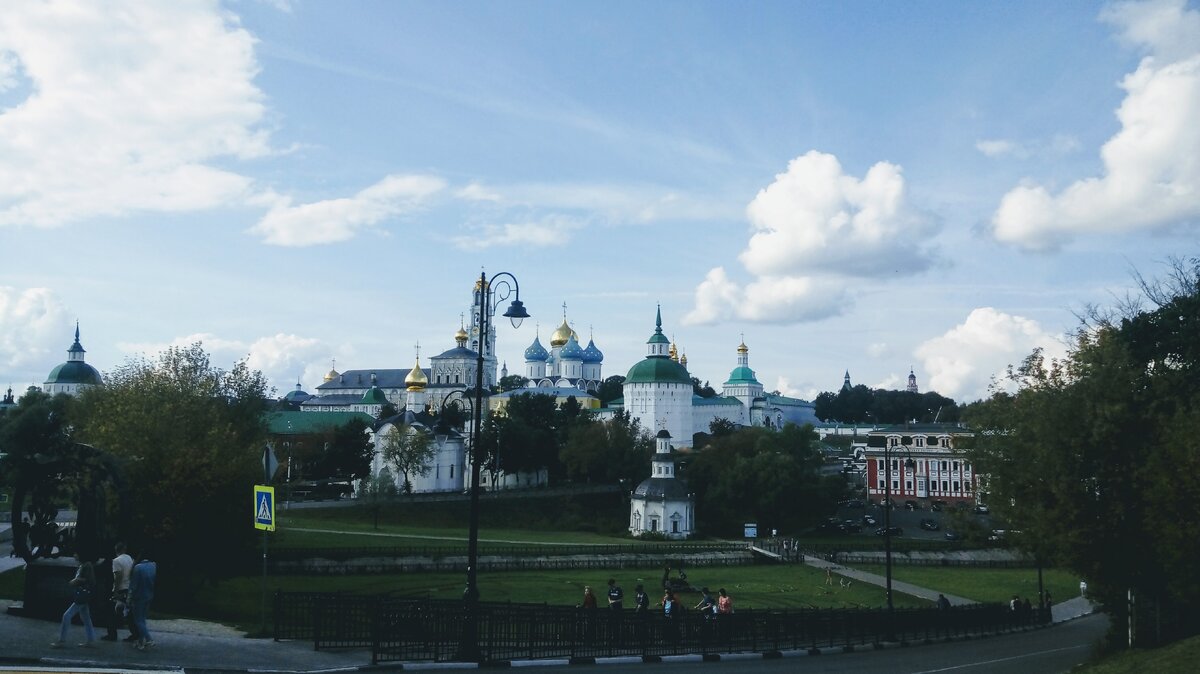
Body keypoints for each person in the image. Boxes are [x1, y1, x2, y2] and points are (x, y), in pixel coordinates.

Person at [52, 555, 97, 648]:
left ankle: (62, 641)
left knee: (66, 616)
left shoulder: (86, 565)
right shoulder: (83, 565)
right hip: (83, 596)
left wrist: (75, 581)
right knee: (86, 618)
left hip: (82, 596)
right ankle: (91, 640)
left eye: (76, 553)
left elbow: (89, 580)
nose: (74, 555)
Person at [104, 542, 136, 642]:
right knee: (130, 612)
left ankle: (112, 634)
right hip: (129, 588)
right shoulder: (130, 559)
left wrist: (115, 592)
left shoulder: (116, 561)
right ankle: (135, 633)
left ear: (116, 550)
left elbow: (118, 576)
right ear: (124, 549)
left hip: (121, 588)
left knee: (111, 612)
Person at [129, 549, 157, 651]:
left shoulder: (138, 568)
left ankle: (149, 639)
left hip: (139, 597)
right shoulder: (153, 566)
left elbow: (133, 586)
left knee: (138, 620)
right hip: (149, 595)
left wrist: (129, 598)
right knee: (142, 619)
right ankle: (141, 642)